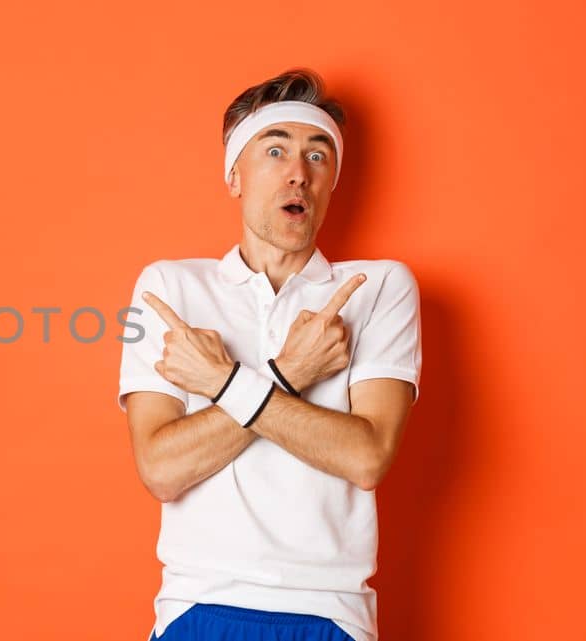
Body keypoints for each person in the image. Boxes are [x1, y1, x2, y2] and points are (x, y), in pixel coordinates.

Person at [117, 68, 422, 641]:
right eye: (275, 150)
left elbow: (366, 458)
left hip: (331, 613)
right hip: (196, 605)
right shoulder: (169, 288)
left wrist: (226, 382)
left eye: (318, 155)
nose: (298, 175)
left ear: (333, 180)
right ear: (234, 175)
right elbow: (161, 470)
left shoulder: (379, 289)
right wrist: (290, 374)